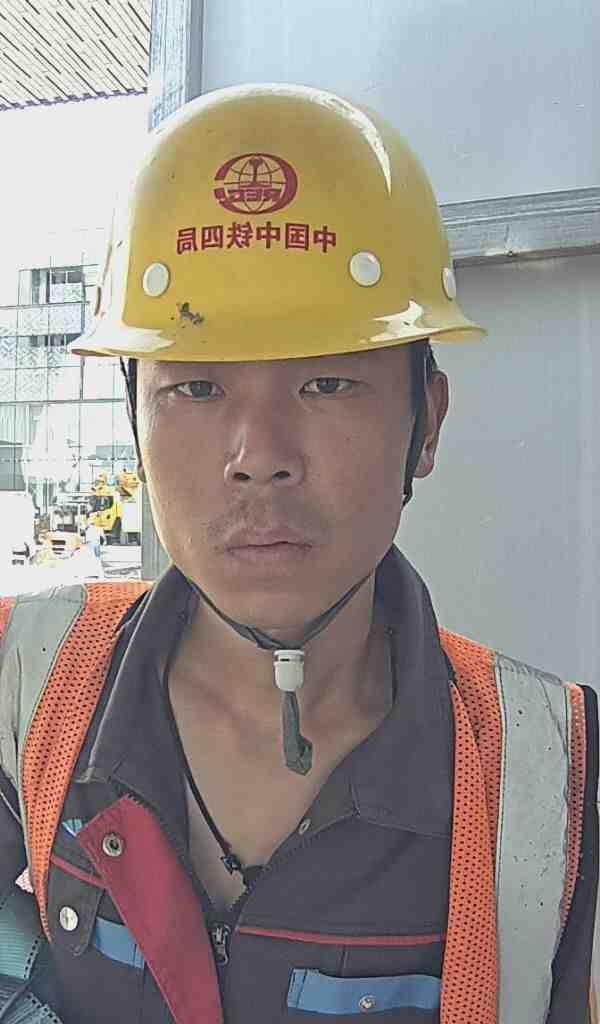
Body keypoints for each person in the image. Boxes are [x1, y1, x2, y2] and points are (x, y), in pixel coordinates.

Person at [0, 84, 597, 1024]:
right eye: (197, 389)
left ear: (426, 422)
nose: (260, 457)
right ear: (135, 420)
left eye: (327, 382)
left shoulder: (552, 770)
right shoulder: (24, 676)